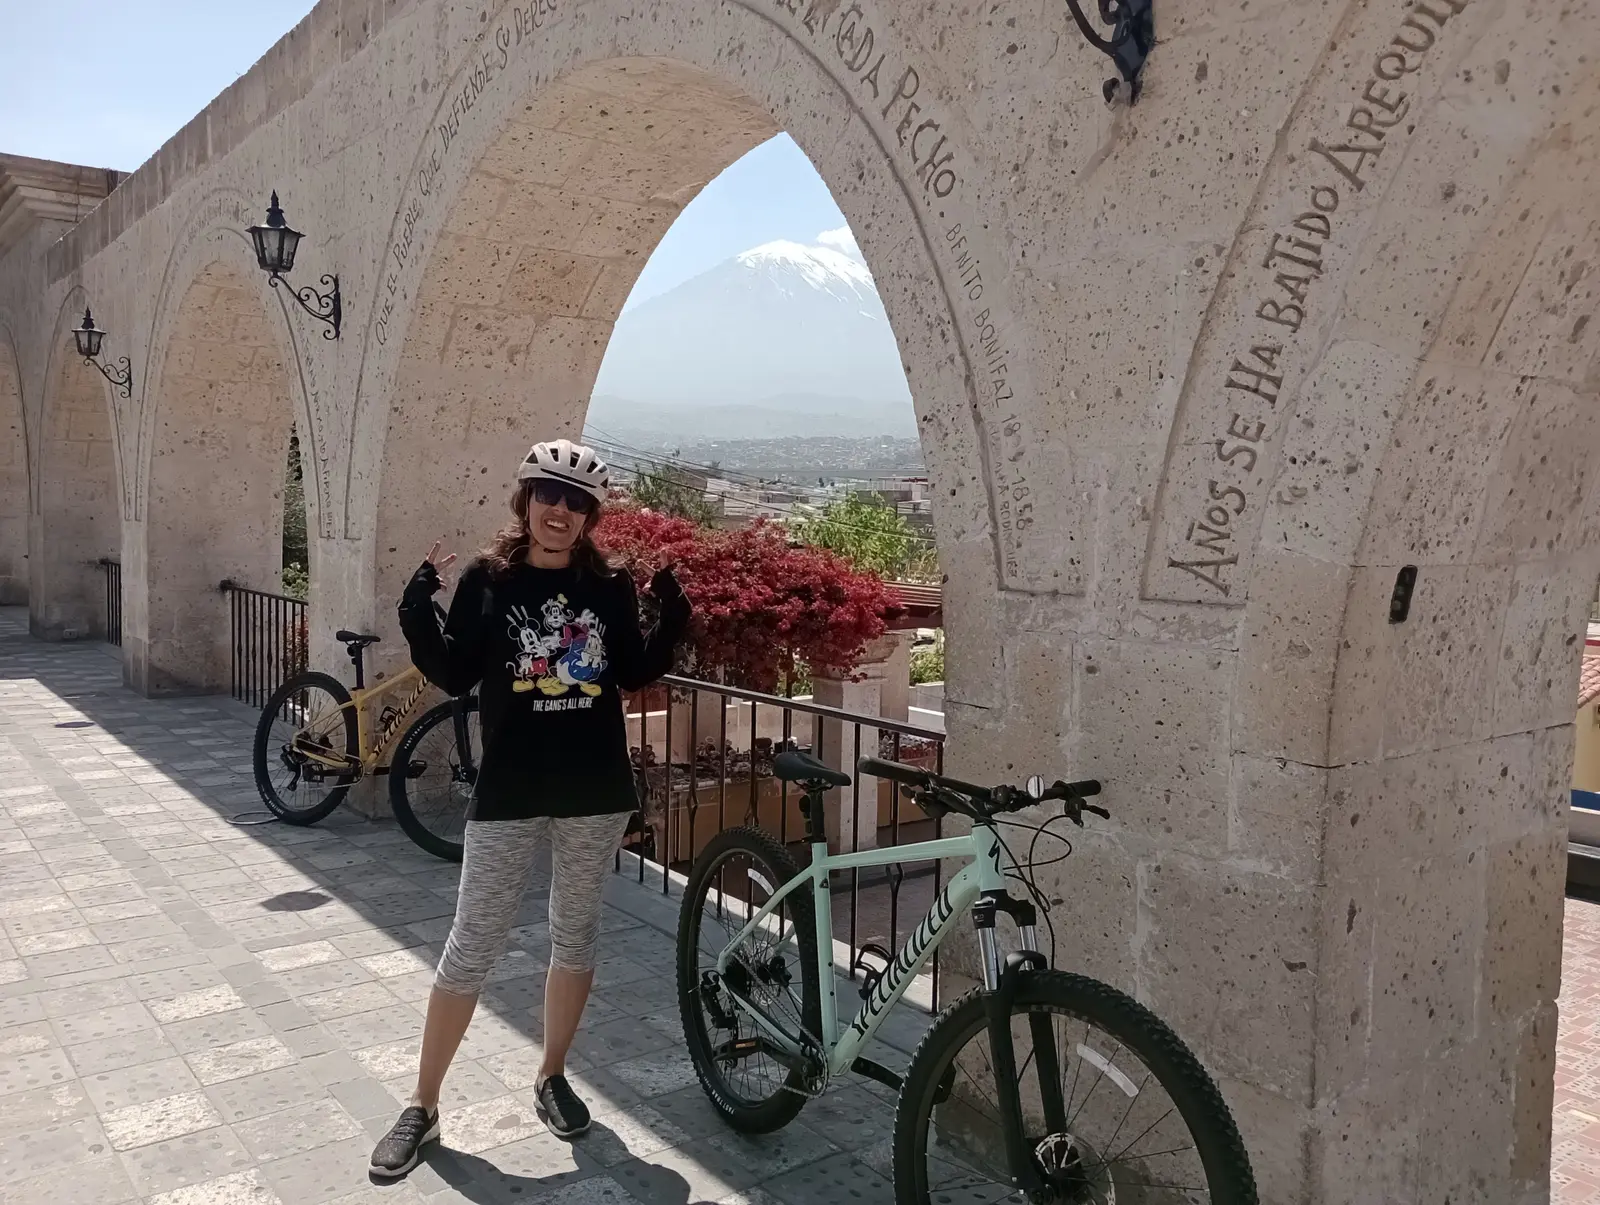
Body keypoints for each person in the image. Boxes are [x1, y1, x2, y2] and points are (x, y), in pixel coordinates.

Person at [369, 439, 690, 1178]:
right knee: (472, 941)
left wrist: (671, 615)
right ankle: (423, 1103)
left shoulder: (608, 585)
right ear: (526, 500)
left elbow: (633, 669)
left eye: (577, 501)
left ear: (589, 516)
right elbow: (454, 671)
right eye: (549, 494)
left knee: (574, 937)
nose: (560, 510)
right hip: (510, 789)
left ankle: (551, 1075)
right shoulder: (488, 580)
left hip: (591, 789)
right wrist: (416, 609)